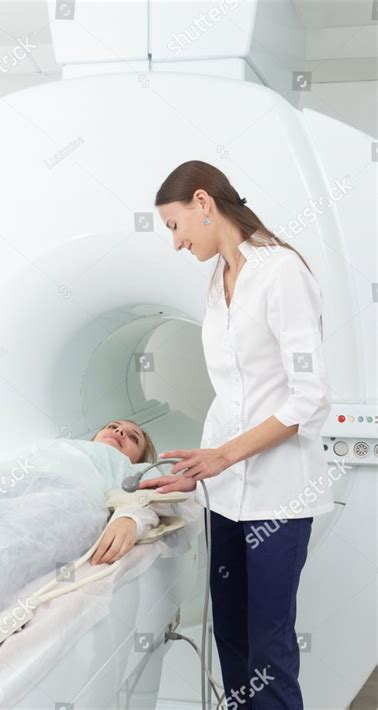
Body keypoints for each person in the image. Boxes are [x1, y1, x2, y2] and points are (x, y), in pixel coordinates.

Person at [139, 160, 334, 709]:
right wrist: (194, 471)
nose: (175, 243)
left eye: (175, 226)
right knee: (231, 638)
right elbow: (233, 398)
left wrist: (224, 456)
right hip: (224, 499)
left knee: (268, 648)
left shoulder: (281, 273)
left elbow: (309, 396)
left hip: (278, 496)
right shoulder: (215, 284)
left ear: (204, 203)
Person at [0, 419, 196, 671]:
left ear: (139, 458)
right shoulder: (53, 445)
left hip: (65, 498)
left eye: (132, 438)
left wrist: (130, 518)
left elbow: (157, 500)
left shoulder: (131, 469)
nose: (120, 432)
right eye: (114, 426)